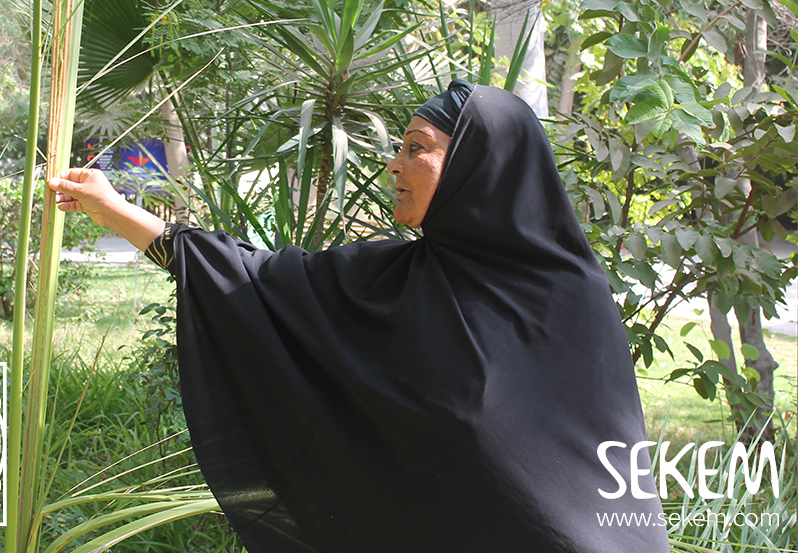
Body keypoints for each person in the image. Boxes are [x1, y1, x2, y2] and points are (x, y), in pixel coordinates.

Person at [49, 81, 670, 552]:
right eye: (399, 148)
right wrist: (114, 210)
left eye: (418, 149)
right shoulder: (391, 281)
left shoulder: (571, 297)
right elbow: (253, 280)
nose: (394, 164)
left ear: (480, 164)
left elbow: (606, 472)